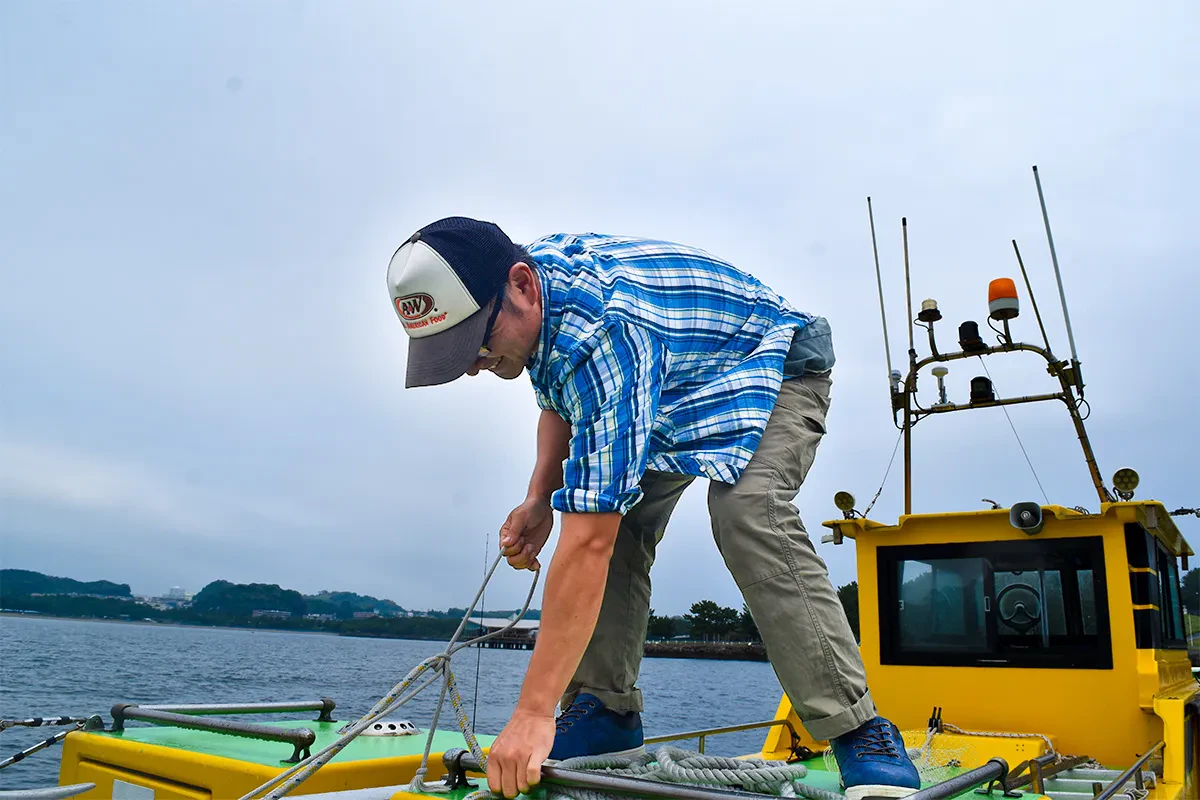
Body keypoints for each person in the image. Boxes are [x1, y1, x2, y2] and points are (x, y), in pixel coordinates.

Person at [386, 216, 920, 800]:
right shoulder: (534, 298)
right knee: (620, 516)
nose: (472, 364)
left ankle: (858, 727)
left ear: (521, 286)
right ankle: (606, 713)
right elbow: (560, 398)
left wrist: (533, 713)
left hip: (770, 365)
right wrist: (539, 499)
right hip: (671, 384)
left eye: (475, 343)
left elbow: (587, 537)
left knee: (747, 511)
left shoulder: (608, 331)